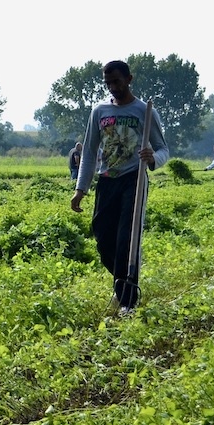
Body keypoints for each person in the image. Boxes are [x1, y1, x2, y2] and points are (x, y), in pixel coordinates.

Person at [70, 60, 169, 315]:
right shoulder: (99, 112)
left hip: (133, 180)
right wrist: (80, 189)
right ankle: (123, 281)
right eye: (108, 83)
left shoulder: (144, 111)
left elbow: (163, 148)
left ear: (129, 79)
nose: (113, 87)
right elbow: (90, 152)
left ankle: (128, 301)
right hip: (107, 180)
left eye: (117, 81)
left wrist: (153, 158)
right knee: (103, 240)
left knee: (128, 239)